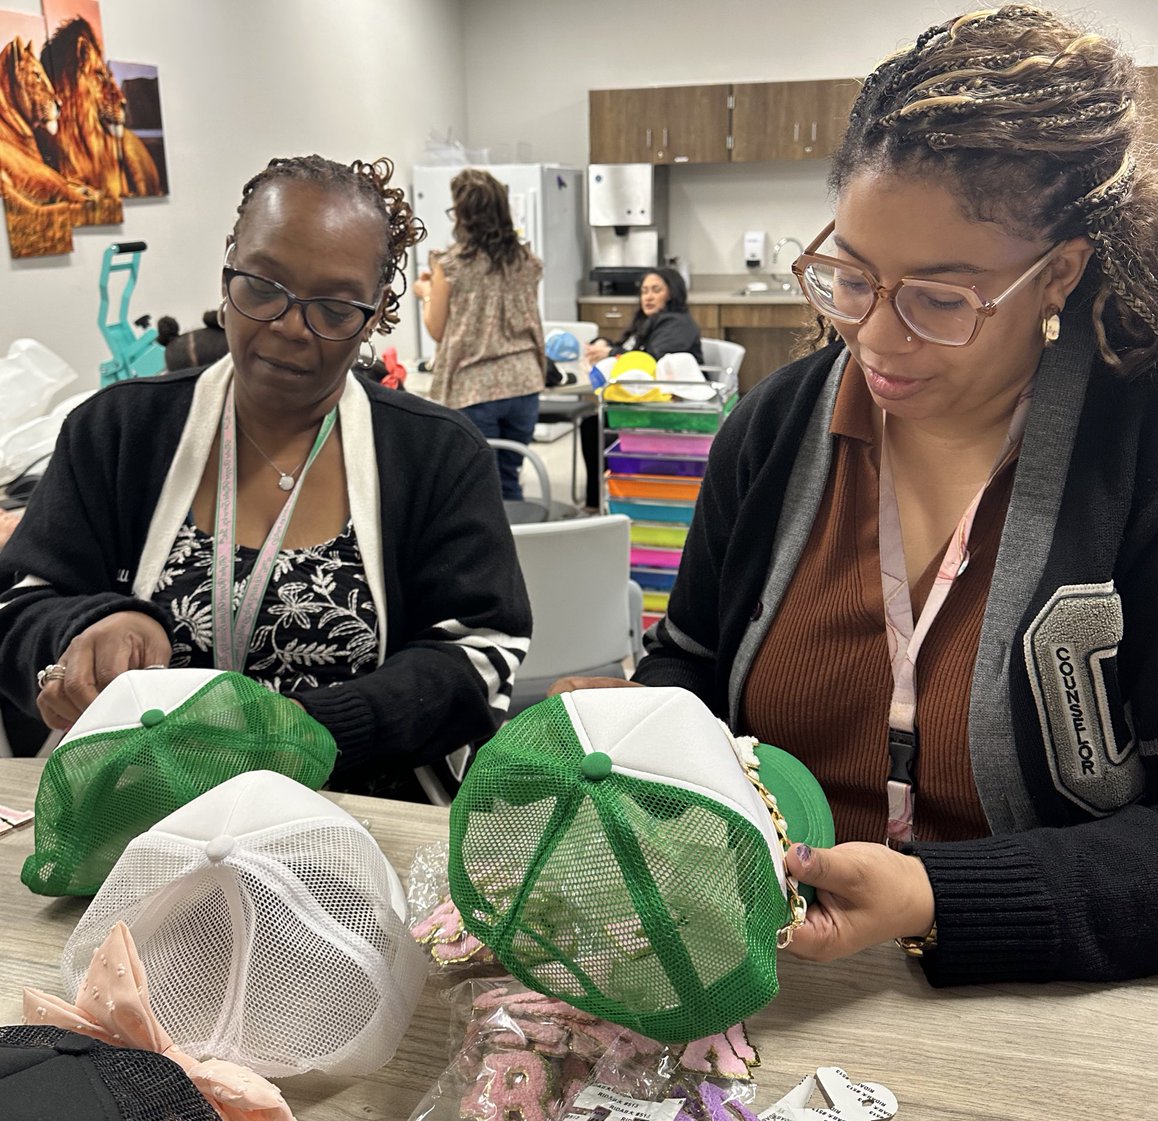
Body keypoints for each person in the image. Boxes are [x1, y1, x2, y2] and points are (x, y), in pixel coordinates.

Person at [552, 6, 1158, 987]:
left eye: (938, 299)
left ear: (1058, 276)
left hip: (1045, 1000)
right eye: (850, 276)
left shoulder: (1133, 452)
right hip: (768, 975)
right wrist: (638, 733)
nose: (876, 335)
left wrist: (931, 900)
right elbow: (694, 664)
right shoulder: (779, 432)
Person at [0, 154, 532, 800]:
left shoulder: (439, 457)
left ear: (376, 316)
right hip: (133, 820)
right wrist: (90, 628)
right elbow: (21, 603)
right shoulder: (114, 434)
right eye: (262, 286)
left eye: (333, 309)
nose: (286, 326)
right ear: (228, 273)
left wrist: (311, 729)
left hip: (357, 824)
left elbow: (480, 653)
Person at [412, 168, 545, 502]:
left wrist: (426, 292)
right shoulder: (527, 260)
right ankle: (518, 546)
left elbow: (437, 328)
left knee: (479, 488)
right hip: (524, 384)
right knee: (508, 478)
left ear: (463, 216)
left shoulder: (452, 265)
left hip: (474, 387)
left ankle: (490, 550)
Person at [580, 267, 703, 509]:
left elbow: (650, 360)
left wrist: (611, 353)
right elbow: (629, 349)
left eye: (656, 290)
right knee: (592, 423)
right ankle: (600, 499)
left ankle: (604, 500)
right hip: (646, 400)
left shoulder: (677, 323)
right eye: (644, 291)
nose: (647, 296)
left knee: (595, 425)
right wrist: (604, 344)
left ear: (672, 294)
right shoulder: (647, 321)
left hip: (671, 406)